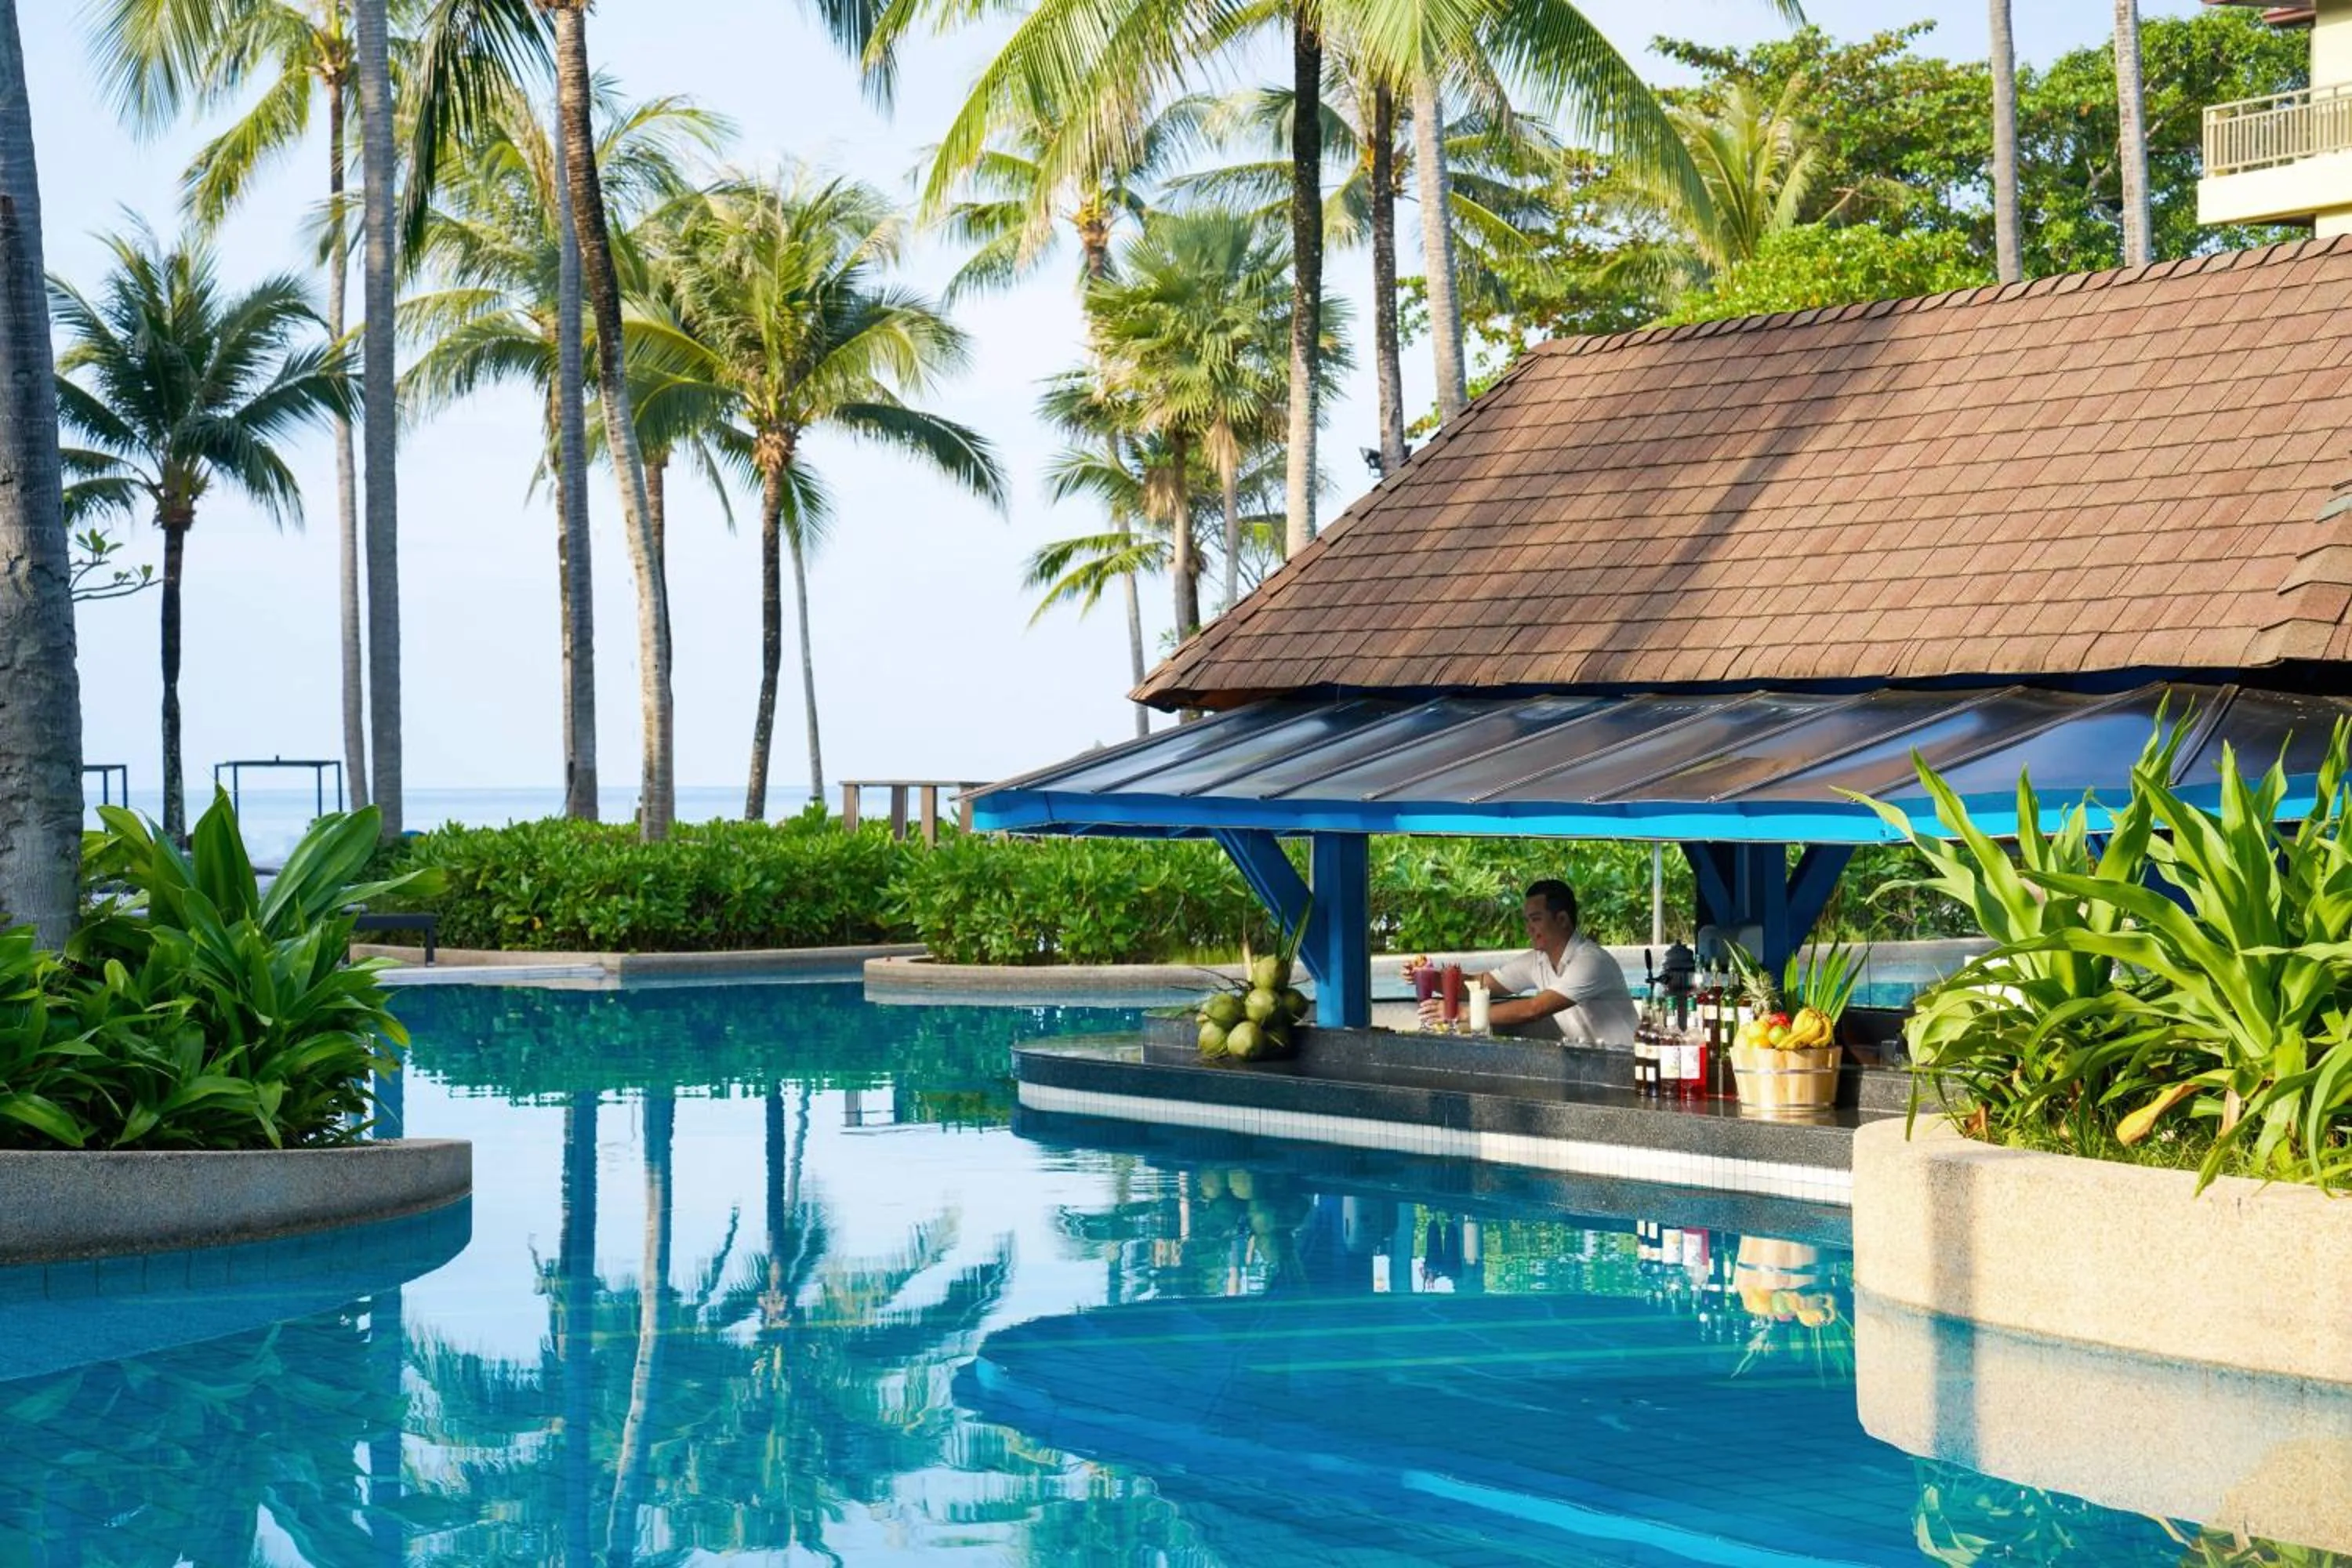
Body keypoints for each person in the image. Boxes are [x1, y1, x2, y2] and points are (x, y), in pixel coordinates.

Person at [1420, 879, 1639, 1045]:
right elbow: (1478, 985)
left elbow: (1534, 1009)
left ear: (1562, 919)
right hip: (1591, 1064)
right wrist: (1426, 975)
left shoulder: (1591, 961)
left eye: (1536, 920)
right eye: (1527, 921)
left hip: (1630, 1064)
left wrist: (1464, 1013)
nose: (1528, 929)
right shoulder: (1538, 961)